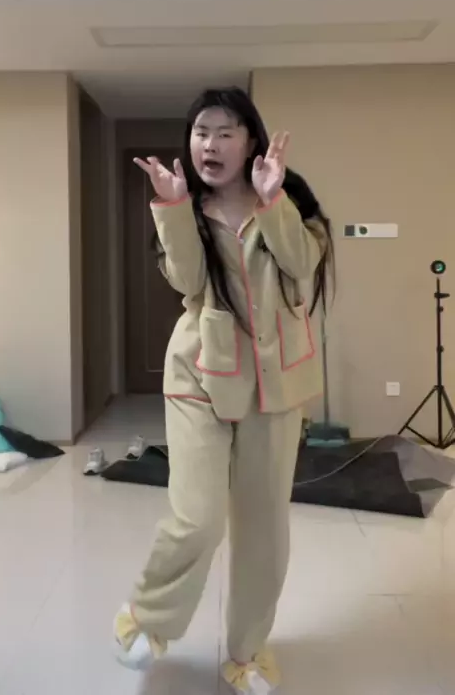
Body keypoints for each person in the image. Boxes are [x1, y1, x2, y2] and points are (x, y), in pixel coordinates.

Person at [113, 87, 334, 693]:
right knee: (199, 517)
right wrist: (171, 206)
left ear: (250, 140)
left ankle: (246, 653)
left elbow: (301, 265)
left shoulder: (290, 202)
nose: (209, 144)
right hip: (200, 375)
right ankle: (147, 617)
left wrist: (272, 201)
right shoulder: (185, 207)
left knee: (264, 530)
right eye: (200, 132)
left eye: (224, 132)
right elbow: (187, 281)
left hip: (275, 382)